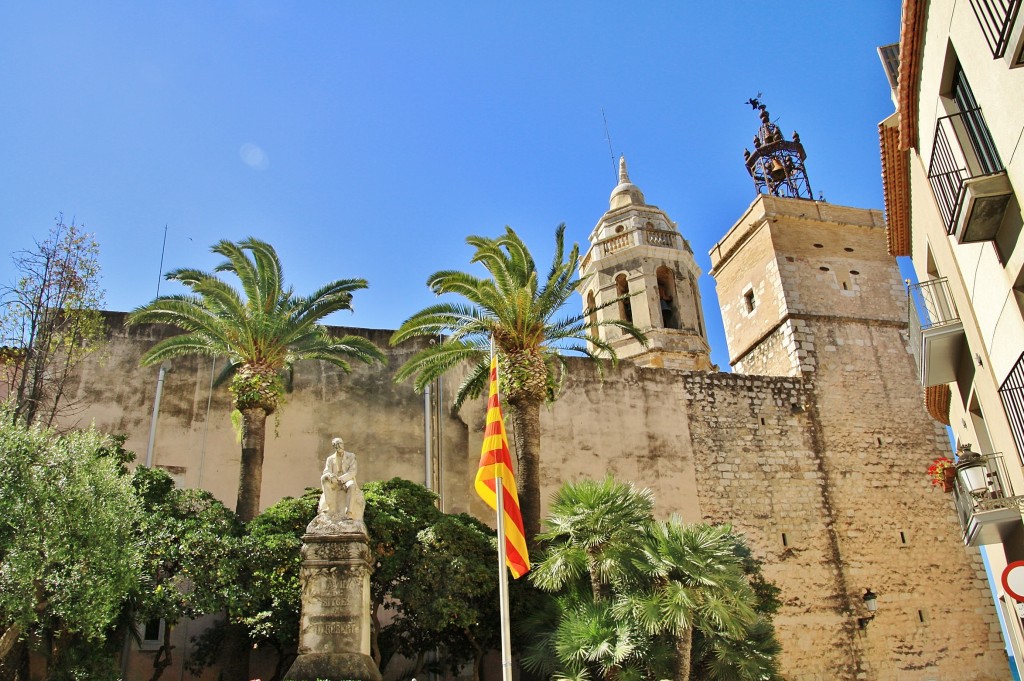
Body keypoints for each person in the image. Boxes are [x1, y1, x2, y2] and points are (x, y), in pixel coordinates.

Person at [318, 436, 365, 521]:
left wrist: (341, 479)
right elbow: (326, 471)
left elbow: (353, 472)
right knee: (324, 478)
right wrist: (330, 476)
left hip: (346, 480)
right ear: (334, 446)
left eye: (340, 443)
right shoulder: (330, 459)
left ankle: (349, 513)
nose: (339, 446)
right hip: (335, 481)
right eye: (336, 444)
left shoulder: (351, 456)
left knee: (352, 485)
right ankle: (330, 507)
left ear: (343, 444)